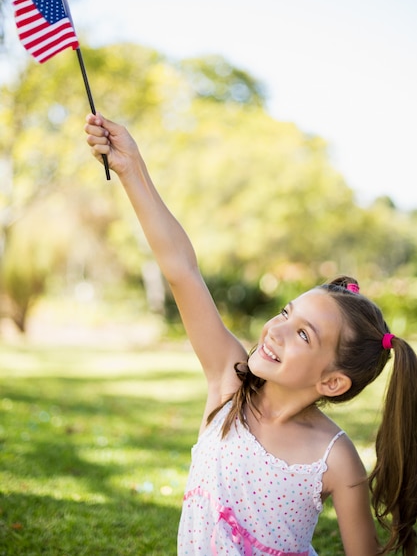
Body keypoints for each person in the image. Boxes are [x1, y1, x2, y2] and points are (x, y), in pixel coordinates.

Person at [84, 112, 417, 556]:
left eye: (303, 335)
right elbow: (182, 269)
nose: (277, 329)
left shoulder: (335, 458)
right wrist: (131, 168)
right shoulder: (229, 382)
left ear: (332, 382)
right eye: (285, 311)